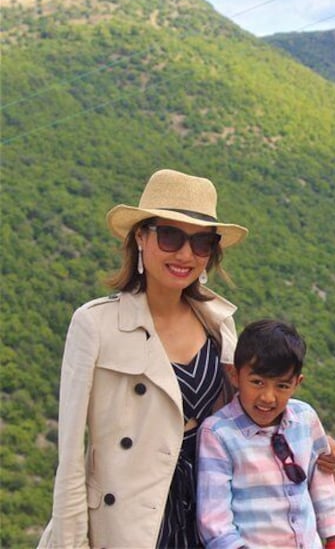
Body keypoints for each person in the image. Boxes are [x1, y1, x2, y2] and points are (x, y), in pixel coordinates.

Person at [38, 168, 249, 548]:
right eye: (170, 236)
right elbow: (70, 459)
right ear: (140, 236)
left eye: (202, 242)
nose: (186, 254)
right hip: (129, 525)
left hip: (209, 515)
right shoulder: (95, 326)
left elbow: (244, 426)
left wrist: (309, 443)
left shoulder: (220, 325)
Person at [196, 319, 335, 548]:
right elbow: (214, 518)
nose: (268, 397)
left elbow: (322, 477)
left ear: (297, 383)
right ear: (235, 375)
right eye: (257, 382)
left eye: (282, 386)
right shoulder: (218, 434)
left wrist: (334, 537)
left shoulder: (305, 418)